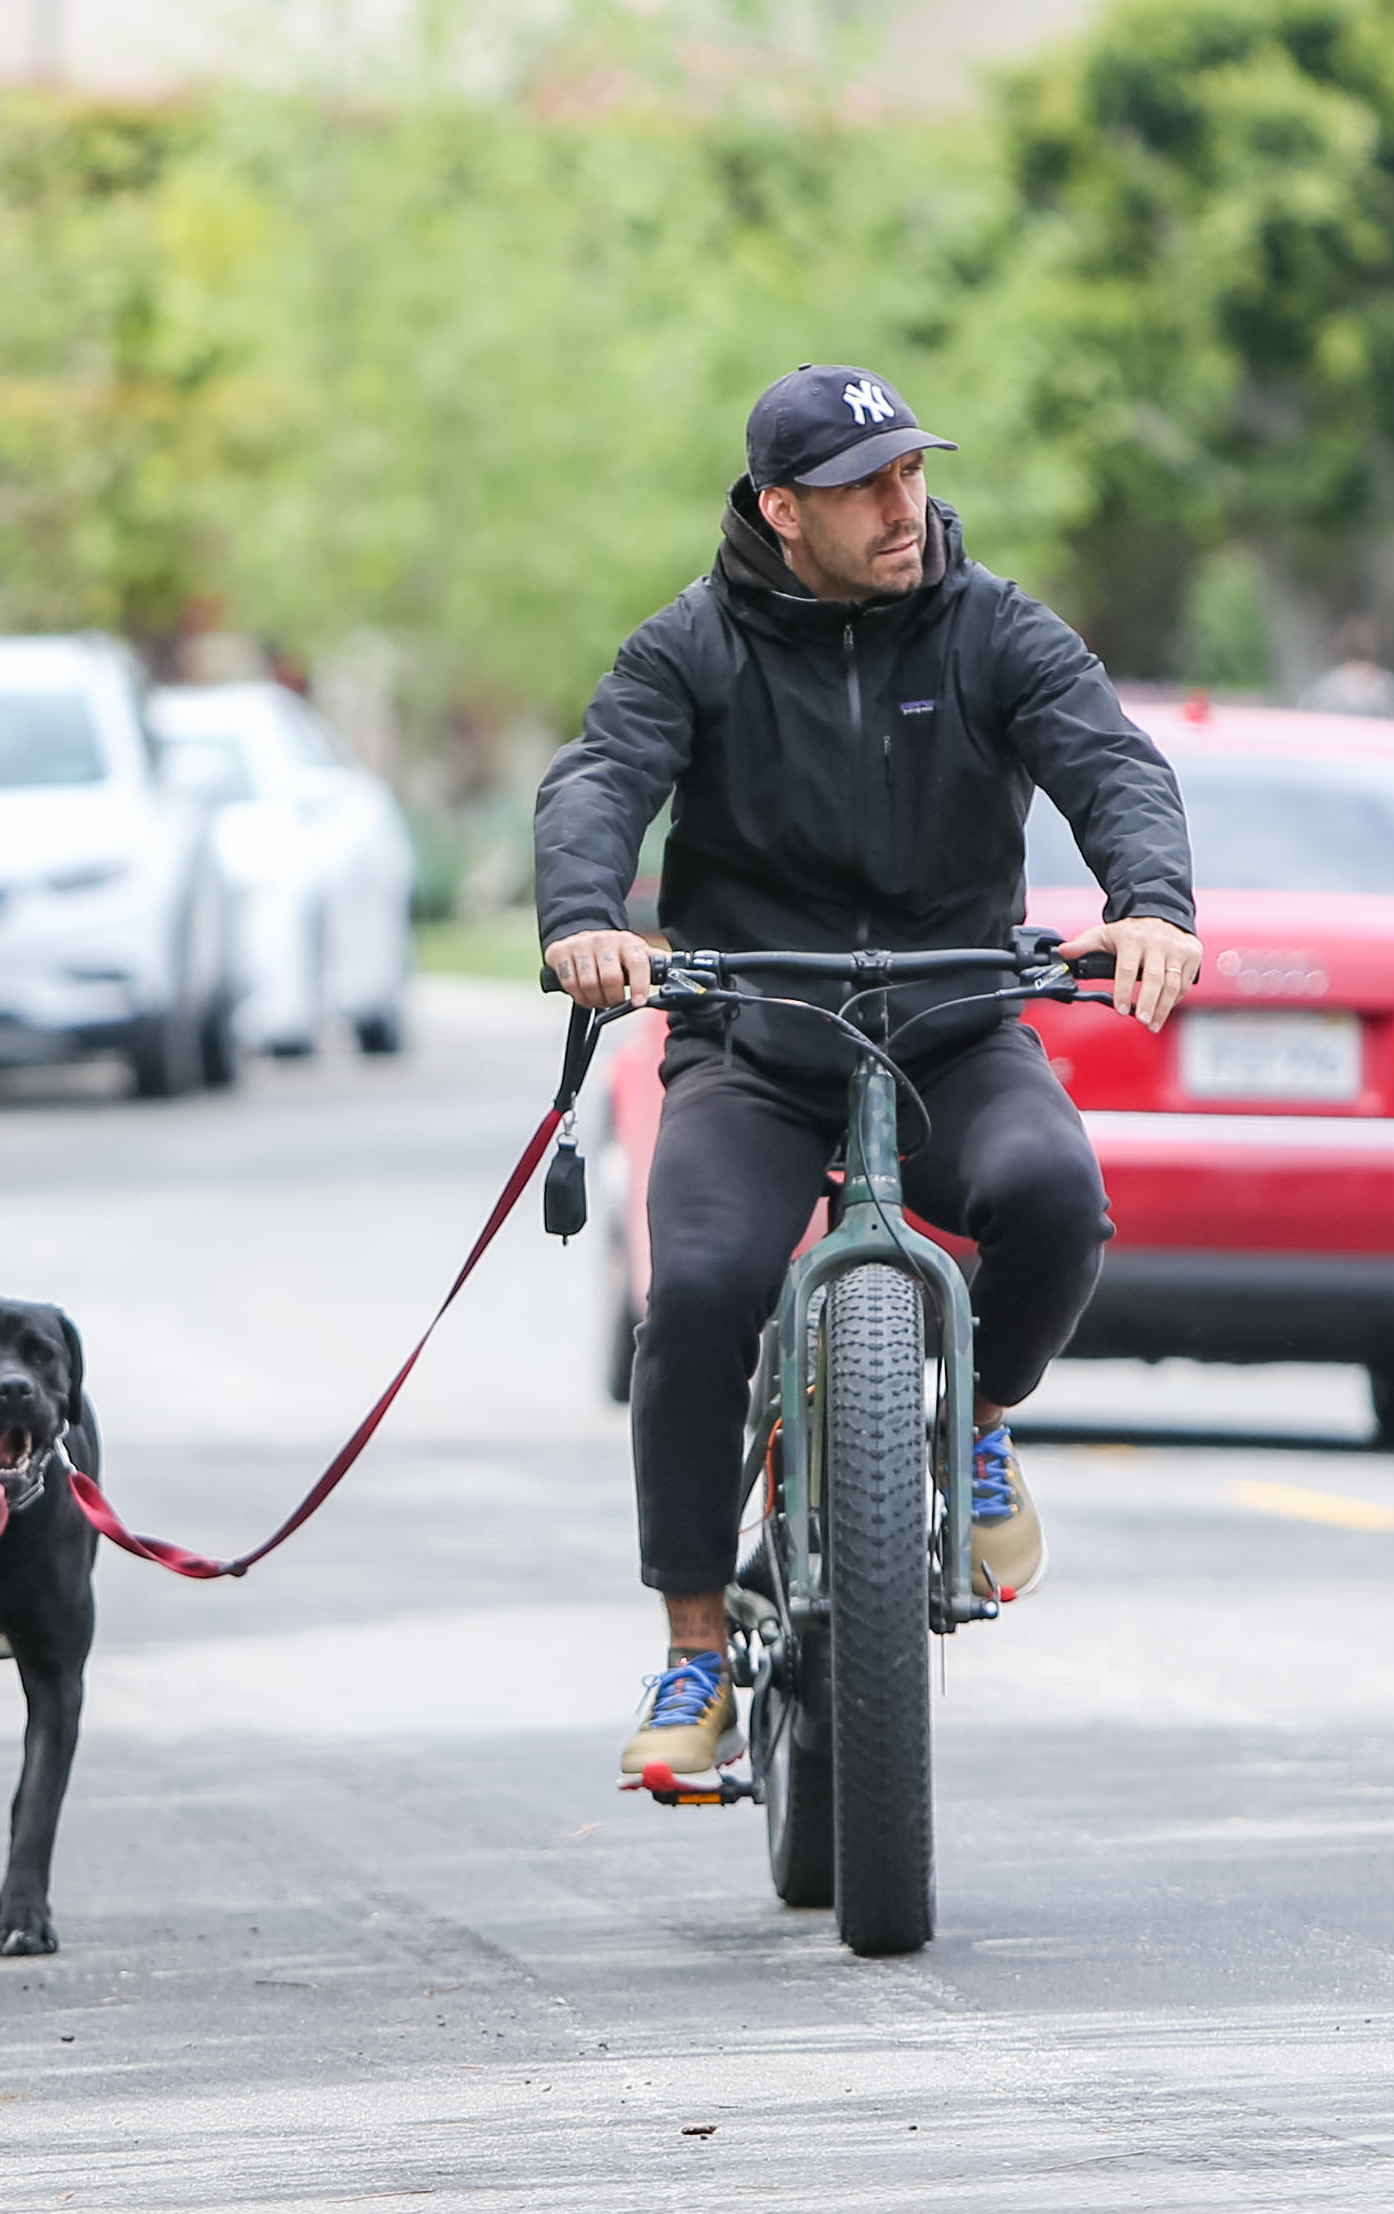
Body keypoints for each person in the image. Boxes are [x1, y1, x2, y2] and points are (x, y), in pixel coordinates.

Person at [534, 364, 1203, 1789]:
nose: (906, 504)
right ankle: (697, 1648)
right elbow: (599, 777)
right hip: (756, 1043)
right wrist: (586, 917)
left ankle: (974, 1420)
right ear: (783, 510)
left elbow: (1114, 766)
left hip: (954, 1024)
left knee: (1056, 1200)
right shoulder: (691, 647)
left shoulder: (992, 628)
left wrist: (1152, 900)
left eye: (912, 472)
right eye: (865, 487)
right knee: (699, 1290)